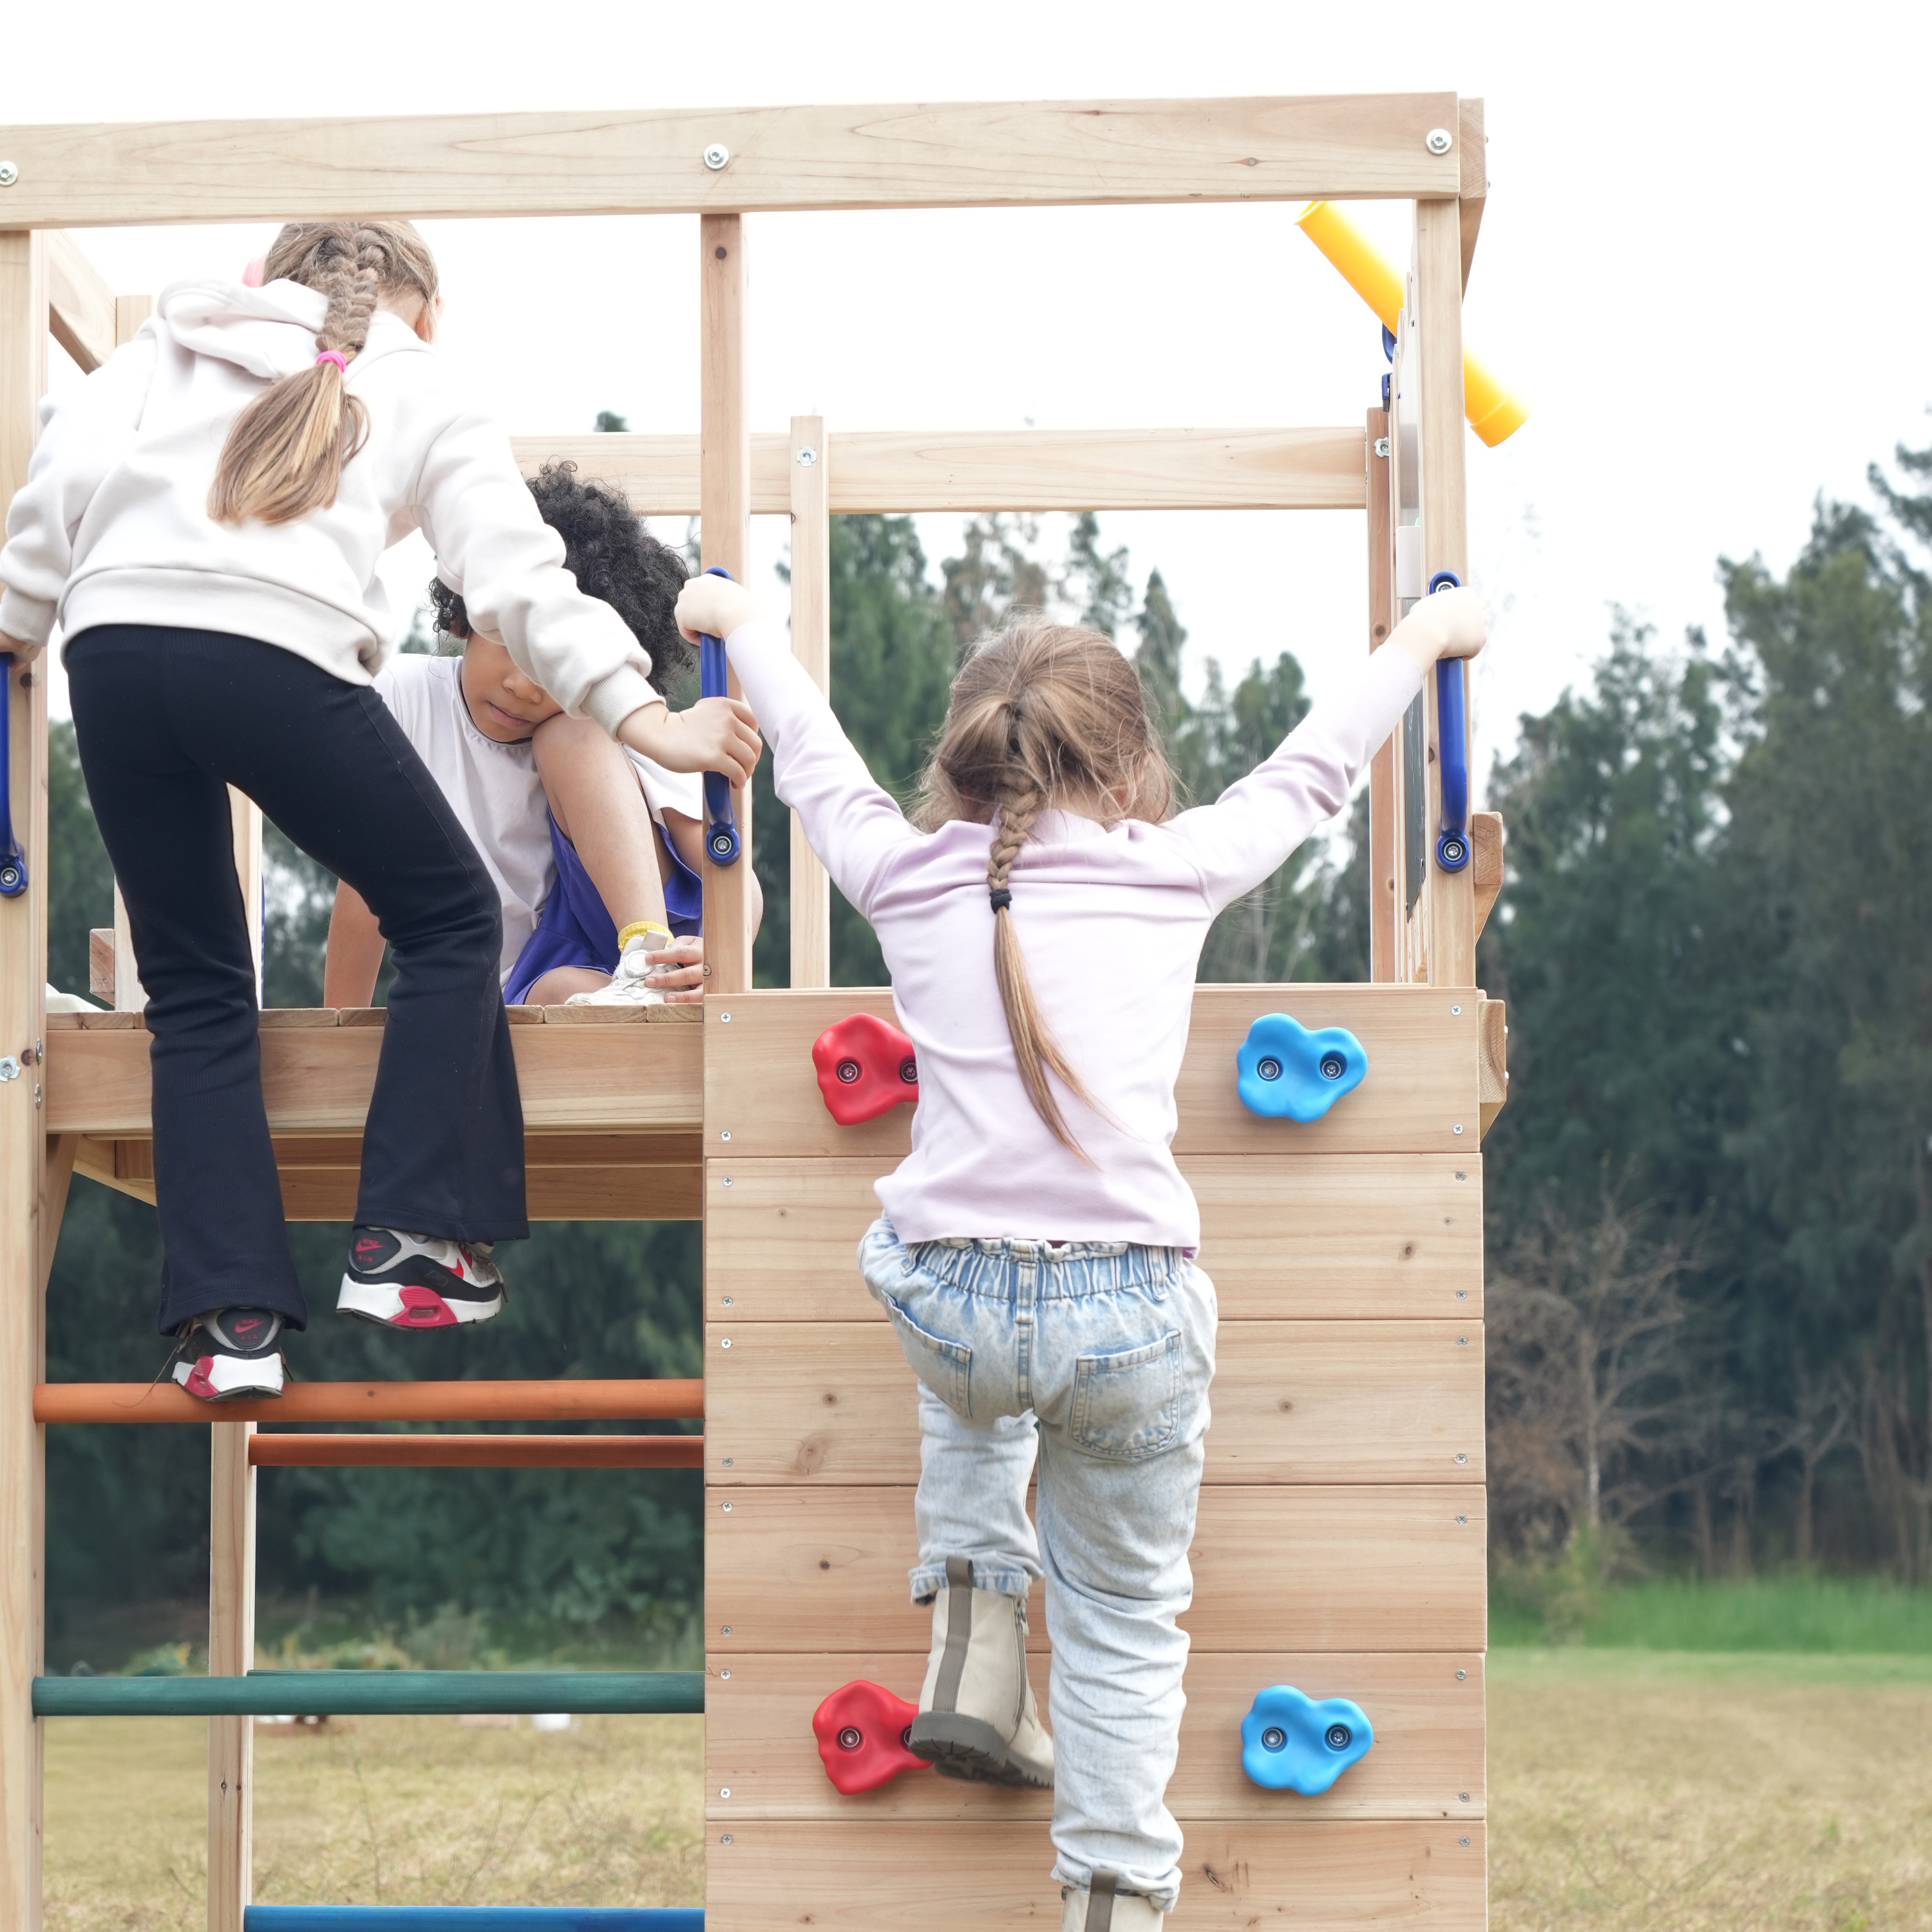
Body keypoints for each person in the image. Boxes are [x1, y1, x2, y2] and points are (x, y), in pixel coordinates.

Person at [674, 568, 1486, 1932]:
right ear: (1125, 773)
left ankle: (976, 1627)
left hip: (954, 1305)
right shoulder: (1170, 872)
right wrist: (1424, 633)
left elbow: (813, 763)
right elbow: (1314, 771)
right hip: (1127, 1318)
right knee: (1120, 1623)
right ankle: (1110, 1896)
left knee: (962, 1323)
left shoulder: (902, 873)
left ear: (960, 765)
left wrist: (742, 623)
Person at [0, 221, 759, 1401]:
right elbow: (521, 577)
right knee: (449, 913)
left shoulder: (170, 340)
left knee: (195, 991)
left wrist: (17, 623)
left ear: (259, 283)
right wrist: (649, 719)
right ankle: (410, 1235)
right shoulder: (420, 381)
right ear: (429, 315)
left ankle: (227, 1326)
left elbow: (58, 479)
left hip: (110, 657)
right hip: (273, 654)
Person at [323, 462, 734, 1014]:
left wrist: (722, 955)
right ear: (467, 614)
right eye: (512, 645)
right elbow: (364, 883)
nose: (524, 685)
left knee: (571, 733)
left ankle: (647, 959)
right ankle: (637, 996)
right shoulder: (403, 697)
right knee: (558, 995)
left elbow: (732, 874)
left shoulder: (609, 727)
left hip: (658, 936)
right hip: (545, 968)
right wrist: (336, 1027)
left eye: (556, 667)